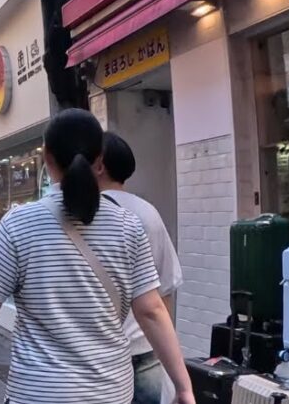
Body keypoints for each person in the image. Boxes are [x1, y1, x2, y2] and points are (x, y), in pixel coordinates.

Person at [0, 109, 194, 404]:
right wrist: (183, 386)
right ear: (100, 161)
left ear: (46, 158)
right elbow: (151, 310)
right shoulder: (128, 225)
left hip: (38, 393)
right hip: (109, 393)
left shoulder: (18, 223)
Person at [100, 132, 184, 404]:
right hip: (147, 351)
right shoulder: (148, 212)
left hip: (102, 357)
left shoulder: (89, 215)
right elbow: (166, 289)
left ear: (98, 165)